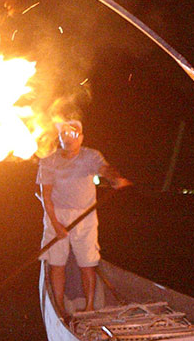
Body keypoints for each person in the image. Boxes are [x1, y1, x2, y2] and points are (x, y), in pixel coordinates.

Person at [38, 119, 131, 315]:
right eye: (64, 134)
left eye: (73, 135)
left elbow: (104, 169)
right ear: (60, 138)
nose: (68, 138)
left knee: (88, 263)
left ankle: (89, 307)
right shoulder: (48, 161)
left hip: (85, 216)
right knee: (57, 264)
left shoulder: (91, 156)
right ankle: (61, 308)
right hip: (57, 214)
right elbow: (46, 196)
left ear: (81, 138)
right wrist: (56, 225)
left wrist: (114, 179)